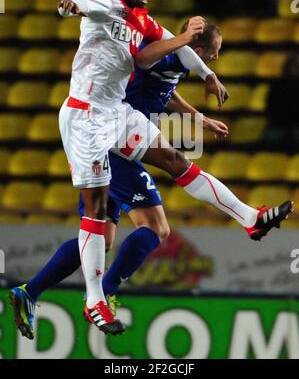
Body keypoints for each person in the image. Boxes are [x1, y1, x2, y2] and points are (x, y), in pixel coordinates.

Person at [10, 17, 293, 340]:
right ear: (196, 46)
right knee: (157, 222)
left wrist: (198, 117)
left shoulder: (178, 59)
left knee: (101, 238)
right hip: (114, 138)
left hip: (118, 139)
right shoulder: (161, 50)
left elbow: (166, 91)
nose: (214, 58)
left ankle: (30, 292)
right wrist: (189, 51)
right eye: (212, 52)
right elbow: (145, 62)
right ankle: (104, 291)